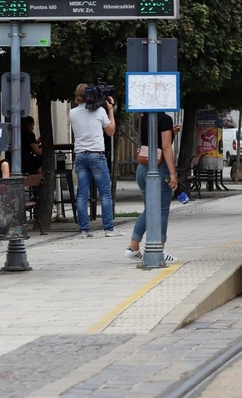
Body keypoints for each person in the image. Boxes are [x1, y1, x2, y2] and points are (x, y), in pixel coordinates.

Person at [128, 110, 178, 263]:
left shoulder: (143, 118)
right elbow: (166, 147)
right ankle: (160, 249)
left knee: (149, 209)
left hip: (142, 168)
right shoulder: (165, 119)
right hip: (159, 168)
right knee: (161, 210)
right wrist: (173, 173)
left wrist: (172, 133)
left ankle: (133, 247)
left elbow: (152, 141)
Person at [69, 83, 117, 238]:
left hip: (80, 156)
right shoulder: (100, 111)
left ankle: (83, 230)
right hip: (96, 155)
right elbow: (110, 131)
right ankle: (108, 229)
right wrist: (110, 110)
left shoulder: (72, 113)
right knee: (104, 193)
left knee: (82, 194)